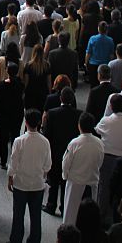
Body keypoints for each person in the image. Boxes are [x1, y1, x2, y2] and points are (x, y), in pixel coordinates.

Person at [8, 107, 52, 243]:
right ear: (39, 122)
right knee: (36, 216)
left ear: (25, 122)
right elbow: (48, 165)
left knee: (18, 216)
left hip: (21, 184)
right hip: (38, 184)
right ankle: (34, 240)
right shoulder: (45, 142)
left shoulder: (19, 141)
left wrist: (10, 177)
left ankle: (15, 240)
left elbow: (13, 163)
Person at [96, 94, 122, 224]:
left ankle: (102, 216)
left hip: (107, 157)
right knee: (120, 188)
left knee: (104, 188)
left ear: (111, 106)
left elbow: (97, 130)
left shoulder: (106, 120)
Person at [44, 87, 83, 216]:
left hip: (55, 151)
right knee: (66, 180)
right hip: (71, 151)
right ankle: (63, 206)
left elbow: (47, 135)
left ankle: (51, 205)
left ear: (60, 98)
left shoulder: (52, 113)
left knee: (53, 180)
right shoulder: (79, 114)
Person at [62, 112, 104, 226]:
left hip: (75, 183)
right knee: (89, 218)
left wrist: (65, 176)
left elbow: (66, 163)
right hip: (92, 182)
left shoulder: (74, 143)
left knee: (71, 215)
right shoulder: (100, 143)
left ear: (79, 125)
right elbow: (100, 162)